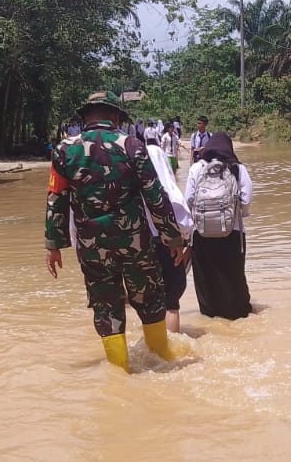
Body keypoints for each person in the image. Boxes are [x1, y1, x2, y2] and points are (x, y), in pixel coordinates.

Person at [45, 91, 187, 372]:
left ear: (86, 116)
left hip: (92, 247)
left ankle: (120, 372)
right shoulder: (132, 145)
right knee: (150, 300)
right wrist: (172, 237)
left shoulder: (64, 150)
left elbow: (56, 198)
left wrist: (53, 245)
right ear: (115, 116)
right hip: (135, 243)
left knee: (106, 306)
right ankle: (162, 361)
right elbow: (155, 196)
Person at [185, 132, 254, 320]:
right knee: (234, 276)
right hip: (233, 233)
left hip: (201, 234)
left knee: (205, 279)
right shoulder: (238, 168)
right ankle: (238, 315)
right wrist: (236, 215)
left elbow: (188, 200)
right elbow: (246, 200)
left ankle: (209, 317)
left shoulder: (196, 167)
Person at [144, 137, 195, 332]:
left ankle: (152, 344)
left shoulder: (133, 191)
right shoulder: (168, 189)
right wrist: (184, 241)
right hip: (168, 247)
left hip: (141, 248)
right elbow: (185, 223)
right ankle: (171, 343)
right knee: (171, 303)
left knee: (149, 303)